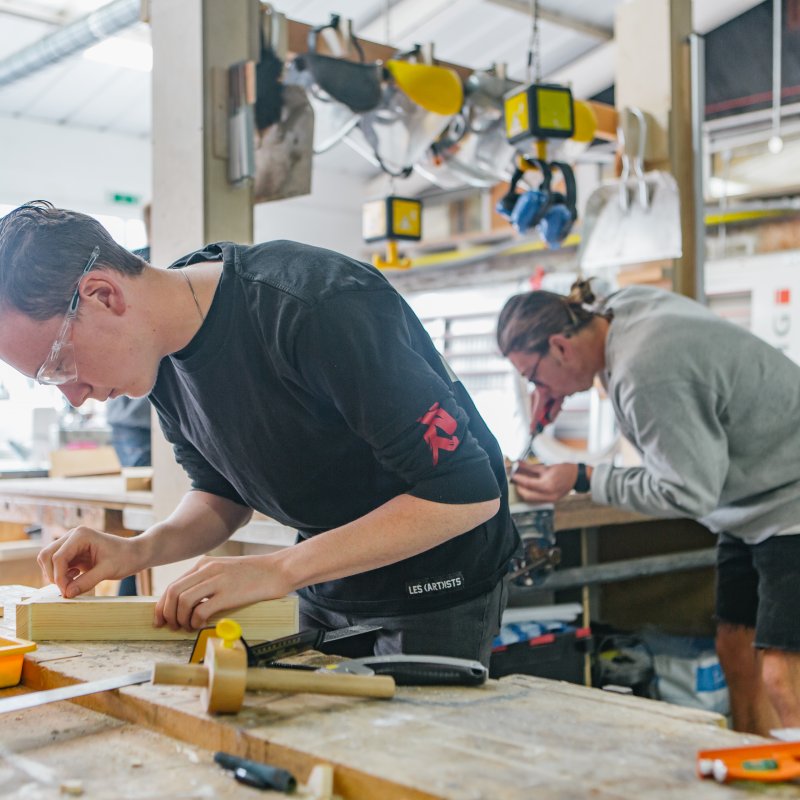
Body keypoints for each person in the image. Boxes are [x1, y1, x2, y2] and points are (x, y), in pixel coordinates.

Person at [0, 201, 518, 666]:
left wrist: (279, 569)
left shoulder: (314, 305)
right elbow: (220, 494)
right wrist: (136, 552)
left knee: (409, 760)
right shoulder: (157, 357)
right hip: (324, 579)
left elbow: (465, 494)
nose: (73, 395)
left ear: (103, 295)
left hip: (436, 582)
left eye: (58, 365)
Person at [496, 278, 800, 734]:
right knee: (735, 650)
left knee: (783, 674)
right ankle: (753, 772)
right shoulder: (616, 311)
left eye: (533, 378)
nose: (536, 390)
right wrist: (556, 389)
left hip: (790, 500)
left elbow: (688, 491)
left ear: (560, 346)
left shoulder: (646, 371)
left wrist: (583, 477)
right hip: (750, 507)